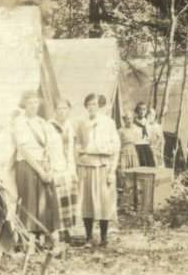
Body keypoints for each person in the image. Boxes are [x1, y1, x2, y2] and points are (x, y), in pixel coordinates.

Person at [12, 91, 66, 241]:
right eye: (30, 103)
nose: (33, 106)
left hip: (43, 164)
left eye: (36, 103)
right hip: (27, 165)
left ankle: (44, 237)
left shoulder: (42, 122)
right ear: (24, 104)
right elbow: (23, 150)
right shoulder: (19, 122)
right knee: (30, 201)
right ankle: (28, 239)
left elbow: (49, 146)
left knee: (46, 201)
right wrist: (40, 171)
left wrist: (48, 167)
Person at [76, 93, 120, 247]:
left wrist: (112, 171)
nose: (91, 107)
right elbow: (78, 145)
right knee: (86, 203)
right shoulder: (81, 123)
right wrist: (80, 154)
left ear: (100, 105)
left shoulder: (108, 123)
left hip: (103, 167)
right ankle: (88, 237)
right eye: (88, 104)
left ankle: (104, 237)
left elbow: (115, 147)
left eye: (94, 104)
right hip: (86, 167)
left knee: (104, 202)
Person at [49, 98, 79, 241]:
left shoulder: (70, 126)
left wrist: (73, 168)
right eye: (59, 108)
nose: (62, 111)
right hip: (56, 167)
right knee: (58, 200)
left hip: (69, 167)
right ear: (55, 110)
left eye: (65, 108)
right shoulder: (49, 126)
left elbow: (72, 148)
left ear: (68, 110)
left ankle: (68, 230)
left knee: (70, 198)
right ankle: (59, 230)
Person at [117, 114, 140, 187]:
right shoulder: (120, 131)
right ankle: (124, 187)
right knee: (123, 169)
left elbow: (138, 140)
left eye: (131, 119)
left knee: (134, 168)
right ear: (124, 120)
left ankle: (134, 187)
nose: (129, 120)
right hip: (124, 150)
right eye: (127, 119)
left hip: (133, 150)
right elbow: (118, 143)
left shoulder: (136, 129)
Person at [132, 102, 156, 167]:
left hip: (147, 148)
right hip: (137, 148)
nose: (142, 111)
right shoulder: (133, 123)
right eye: (140, 109)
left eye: (144, 109)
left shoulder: (148, 123)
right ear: (137, 110)